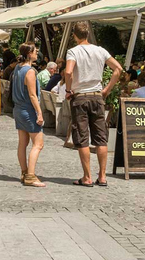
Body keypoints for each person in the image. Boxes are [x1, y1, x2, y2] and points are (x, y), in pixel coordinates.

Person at [63, 21, 122, 188]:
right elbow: (118, 69)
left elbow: (68, 71)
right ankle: (102, 176)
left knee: (82, 138)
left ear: (74, 35)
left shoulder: (73, 51)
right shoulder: (100, 50)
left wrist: (68, 90)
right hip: (97, 97)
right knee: (100, 138)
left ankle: (87, 177)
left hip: (80, 97)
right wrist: (107, 90)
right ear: (87, 34)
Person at [12, 43, 46, 188]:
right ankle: (31, 176)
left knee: (22, 143)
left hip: (18, 109)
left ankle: (24, 172)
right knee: (38, 144)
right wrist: (39, 113)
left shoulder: (17, 68)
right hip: (28, 109)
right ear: (29, 54)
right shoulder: (30, 71)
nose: (37, 54)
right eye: (35, 52)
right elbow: (32, 95)